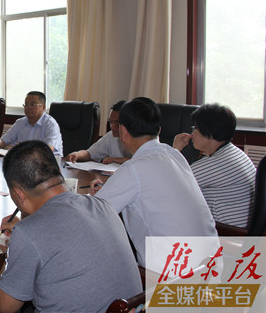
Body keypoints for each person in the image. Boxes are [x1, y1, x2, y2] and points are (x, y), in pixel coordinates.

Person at [0, 141, 142, 313]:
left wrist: (13, 248)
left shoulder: (28, 234)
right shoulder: (102, 205)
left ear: (19, 194)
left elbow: (5, 306)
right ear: (58, 171)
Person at [90, 97, 217, 268]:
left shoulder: (133, 168)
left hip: (171, 276)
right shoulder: (175, 155)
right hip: (211, 268)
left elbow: (93, 215)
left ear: (124, 132)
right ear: (159, 130)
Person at [173, 103, 256, 228]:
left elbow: (170, 185)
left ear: (211, 133)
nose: (193, 133)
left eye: (196, 128)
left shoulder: (216, 164)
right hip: (241, 228)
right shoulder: (234, 153)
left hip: (227, 232)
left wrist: (175, 150)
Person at [0, 91, 63, 156]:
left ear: (43, 107)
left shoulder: (50, 124)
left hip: (50, 164)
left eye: (32, 104)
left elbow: (48, 149)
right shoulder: (20, 122)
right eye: (26, 104)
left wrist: (22, 150)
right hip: (26, 162)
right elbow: (4, 140)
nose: (28, 107)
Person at [66, 100, 131, 164]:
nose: (112, 127)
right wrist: (77, 154)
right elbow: (90, 154)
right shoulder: (110, 136)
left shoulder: (135, 138)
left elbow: (137, 162)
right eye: (111, 122)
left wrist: (119, 160)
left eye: (117, 123)